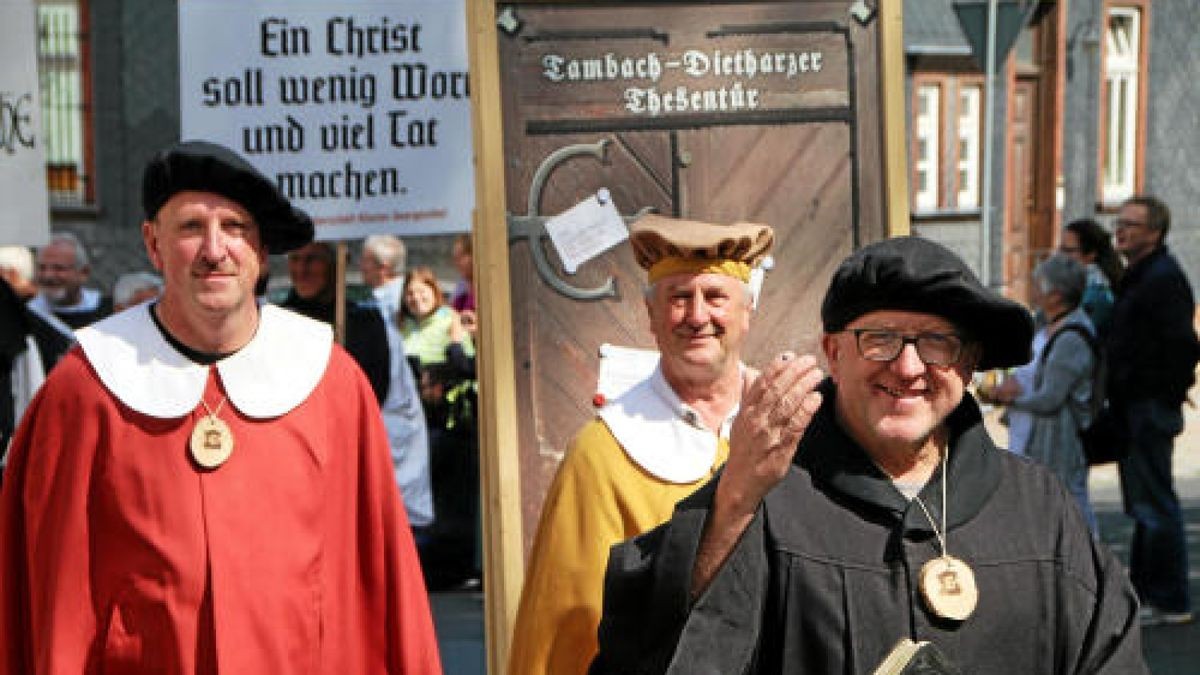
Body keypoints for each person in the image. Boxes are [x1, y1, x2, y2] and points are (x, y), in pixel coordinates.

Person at [592, 236, 1147, 674]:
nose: (907, 368)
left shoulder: (1039, 510)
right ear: (833, 352)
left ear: (969, 364)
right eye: (879, 339)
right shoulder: (765, 501)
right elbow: (652, 654)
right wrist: (734, 498)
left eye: (937, 342)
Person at [0, 140, 441, 673]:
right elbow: (51, 596)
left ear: (259, 251)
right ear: (153, 243)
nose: (215, 250)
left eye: (235, 227)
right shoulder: (84, 389)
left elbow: (379, 580)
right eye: (190, 227)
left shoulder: (332, 383)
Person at [507, 214, 775, 675]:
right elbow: (568, 632)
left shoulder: (793, 431)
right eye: (678, 298)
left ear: (747, 310)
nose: (697, 316)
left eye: (715, 297)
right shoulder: (603, 455)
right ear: (650, 315)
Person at [1108, 195, 1200, 627]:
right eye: (1118, 222)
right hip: (1136, 404)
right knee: (1144, 502)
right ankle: (1148, 593)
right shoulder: (1140, 275)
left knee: (1155, 503)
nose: (1120, 230)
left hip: (1148, 406)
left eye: (1131, 224)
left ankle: (1170, 597)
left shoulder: (1162, 279)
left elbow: (1183, 347)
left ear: (1154, 232)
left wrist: (1162, 393)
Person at [981, 255, 1098, 534]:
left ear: (1055, 295)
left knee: (1067, 503)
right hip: (1029, 431)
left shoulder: (1071, 337)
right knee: (1035, 504)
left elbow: (1051, 398)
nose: (1031, 289)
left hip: (1057, 438)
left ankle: (1089, 564)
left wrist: (1007, 398)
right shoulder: (1044, 324)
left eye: (1037, 284)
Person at [401, 265, 478, 590]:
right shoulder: (405, 329)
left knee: (446, 502)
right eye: (411, 294)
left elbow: (467, 367)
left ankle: (450, 569)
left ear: (435, 293)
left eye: (423, 292)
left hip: (446, 426)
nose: (417, 299)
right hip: (412, 428)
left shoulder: (450, 322)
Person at [280, 241, 392, 404]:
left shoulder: (364, 320)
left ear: (336, 265)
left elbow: (374, 390)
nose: (301, 270)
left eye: (312, 259)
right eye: (295, 259)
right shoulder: (277, 320)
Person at [29, 232, 112, 329]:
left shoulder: (107, 313)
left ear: (84, 273)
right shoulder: (25, 316)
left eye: (59, 268)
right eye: (42, 268)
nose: (48, 276)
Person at [1061, 218, 1122, 337]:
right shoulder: (1071, 283)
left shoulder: (1096, 292)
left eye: (1068, 251)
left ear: (1090, 255)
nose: (1060, 256)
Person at [360, 234, 408, 334]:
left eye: (366, 261)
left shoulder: (403, 298)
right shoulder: (377, 296)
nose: (361, 266)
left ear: (383, 268)